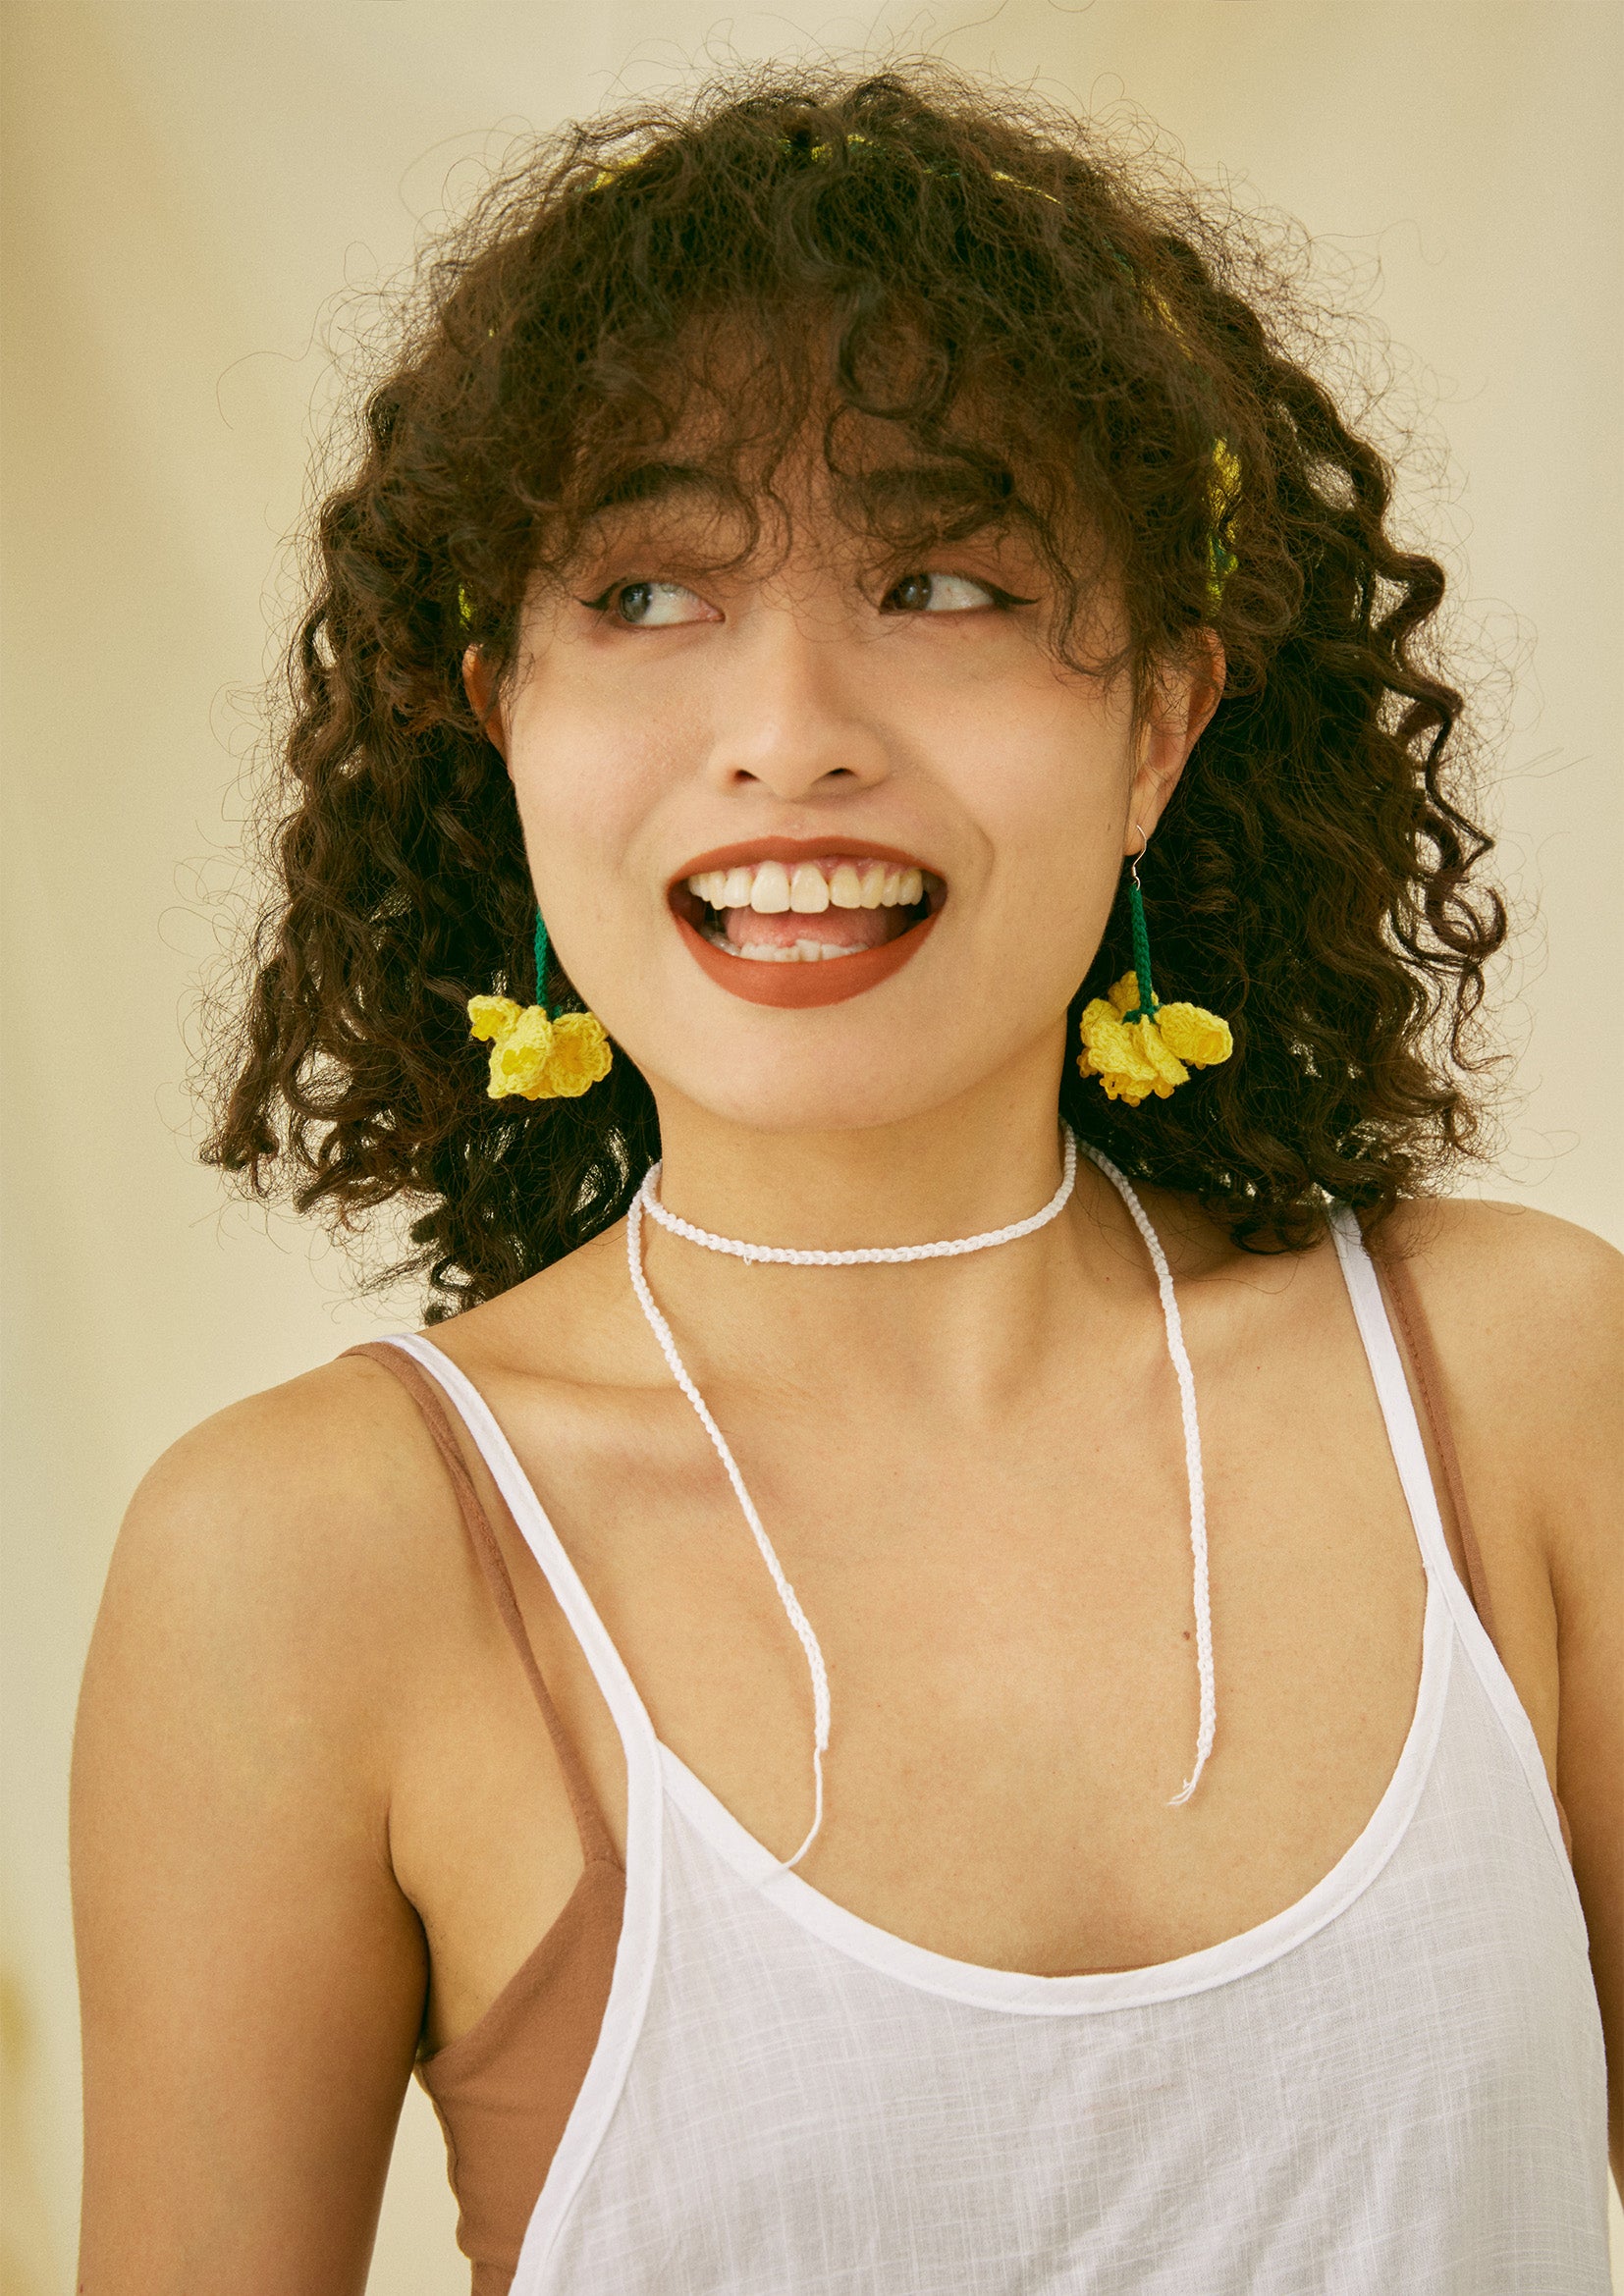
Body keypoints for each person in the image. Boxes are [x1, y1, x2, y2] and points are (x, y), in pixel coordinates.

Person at [71, 63, 1619, 2295]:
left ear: (1158, 727)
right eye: (648, 589)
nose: (788, 722)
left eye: (937, 577)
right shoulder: (310, 1565)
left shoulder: (1521, 1382)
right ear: (501, 715)